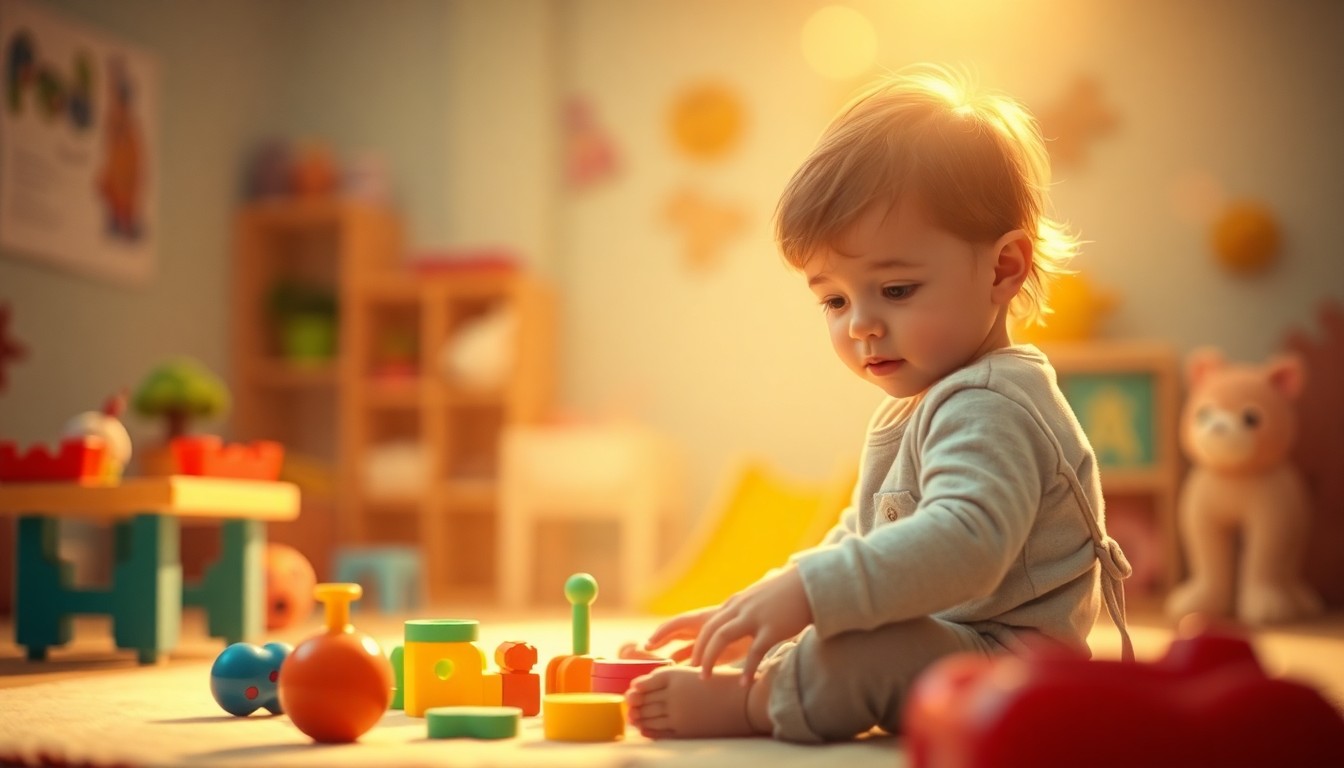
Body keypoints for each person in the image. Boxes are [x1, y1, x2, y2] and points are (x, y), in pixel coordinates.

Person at [623, 64, 1134, 743]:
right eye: (834, 300)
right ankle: (762, 671)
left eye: (895, 290)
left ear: (1004, 268)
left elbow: (966, 542)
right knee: (832, 624)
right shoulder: (926, 401)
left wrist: (808, 595)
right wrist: (760, 608)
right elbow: (862, 540)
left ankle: (749, 707)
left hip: (1011, 670)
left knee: (854, 652)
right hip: (952, 641)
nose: (859, 324)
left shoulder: (992, 402)